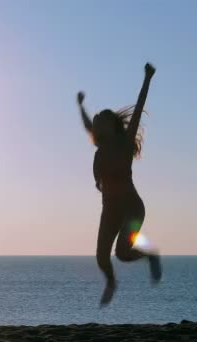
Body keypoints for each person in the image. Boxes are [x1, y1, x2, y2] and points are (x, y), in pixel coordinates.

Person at [77, 63, 162, 307]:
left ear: (112, 125)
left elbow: (139, 106)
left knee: (123, 254)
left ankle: (151, 256)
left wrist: (147, 78)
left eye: (101, 118)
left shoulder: (124, 143)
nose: (96, 120)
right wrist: (81, 105)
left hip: (131, 207)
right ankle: (111, 283)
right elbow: (86, 124)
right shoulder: (101, 145)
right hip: (110, 209)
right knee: (102, 258)